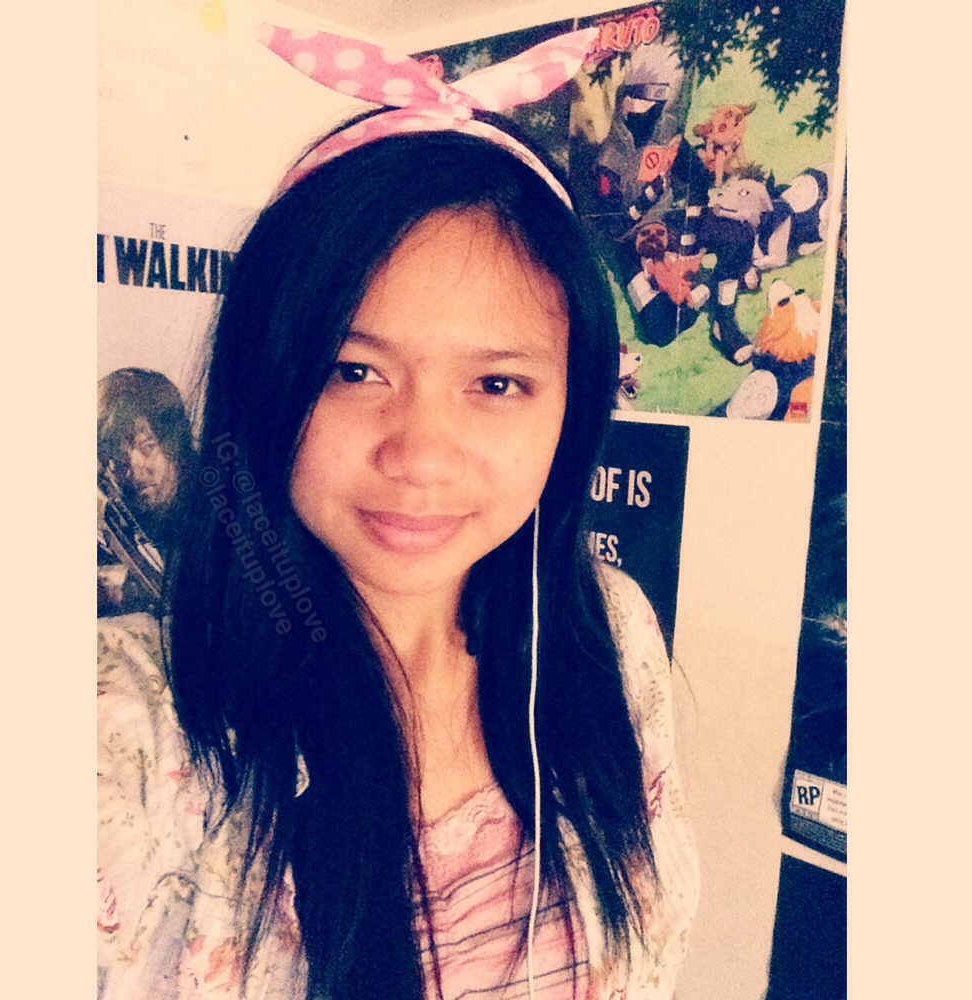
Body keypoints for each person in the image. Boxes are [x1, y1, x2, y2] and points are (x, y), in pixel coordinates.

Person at [97, 25, 698, 1000]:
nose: (418, 454)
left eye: (497, 383)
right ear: (265, 379)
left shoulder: (611, 636)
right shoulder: (129, 729)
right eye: (354, 369)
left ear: (572, 409)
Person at [97, 367, 194, 615]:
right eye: (117, 455)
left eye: (147, 447)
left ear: (174, 444)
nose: (134, 468)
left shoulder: (217, 513)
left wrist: (131, 592)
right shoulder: (116, 516)